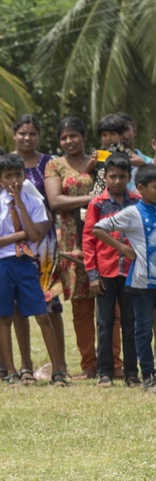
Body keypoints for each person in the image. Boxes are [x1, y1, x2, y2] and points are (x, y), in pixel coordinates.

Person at [0, 153, 66, 386]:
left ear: (24, 176)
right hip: (1, 265)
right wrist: (21, 235)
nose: (14, 181)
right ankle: (11, 371)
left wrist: (19, 203)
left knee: (42, 314)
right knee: (4, 317)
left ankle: (57, 370)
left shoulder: (33, 202)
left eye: (17, 175)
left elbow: (37, 234)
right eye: (8, 177)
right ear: (0, 180)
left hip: (26, 263)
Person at [44, 116, 100, 379]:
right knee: (81, 303)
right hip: (70, 241)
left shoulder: (100, 159)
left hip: (103, 237)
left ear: (83, 136)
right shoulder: (55, 165)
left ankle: (115, 363)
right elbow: (55, 201)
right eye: (64, 137)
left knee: (112, 303)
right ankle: (89, 364)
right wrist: (95, 197)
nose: (69, 141)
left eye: (73, 135)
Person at [92, 163, 156, 391]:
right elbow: (98, 228)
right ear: (140, 187)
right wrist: (123, 248)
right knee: (142, 329)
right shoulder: (132, 212)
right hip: (141, 282)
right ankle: (147, 375)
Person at [82, 153, 140, 387]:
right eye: (112, 176)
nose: (117, 181)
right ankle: (104, 372)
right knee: (105, 323)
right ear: (105, 176)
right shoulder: (97, 203)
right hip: (105, 272)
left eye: (122, 176)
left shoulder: (137, 202)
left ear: (129, 177)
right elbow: (88, 240)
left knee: (131, 322)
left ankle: (131, 373)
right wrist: (92, 275)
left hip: (131, 271)